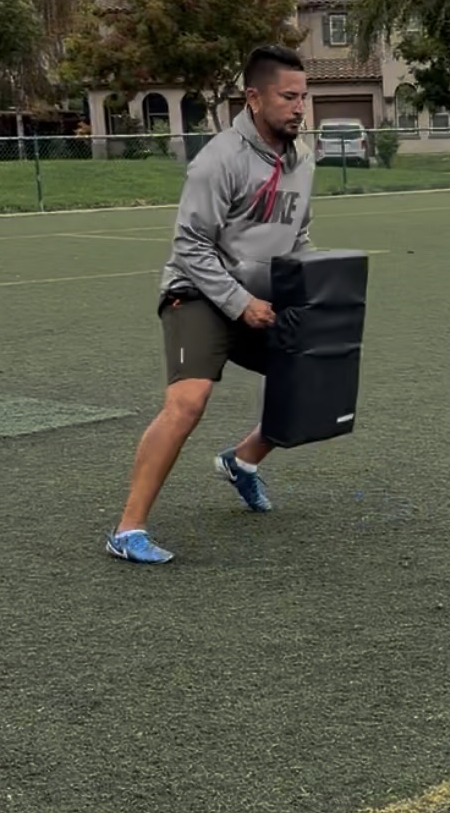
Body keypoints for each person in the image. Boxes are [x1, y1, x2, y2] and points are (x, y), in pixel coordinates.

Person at [106, 45, 314, 563]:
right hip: (197, 293)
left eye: (303, 98)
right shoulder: (217, 160)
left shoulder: (303, 158)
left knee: (314, 378)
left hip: (260, 297)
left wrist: (307, 290)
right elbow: (190, 246)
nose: (299, 108)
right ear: (253, 97)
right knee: (188, 402)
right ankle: (128, 531)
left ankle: (242, 462)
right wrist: (239, 302)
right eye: (288, 97)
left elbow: (298, 234)